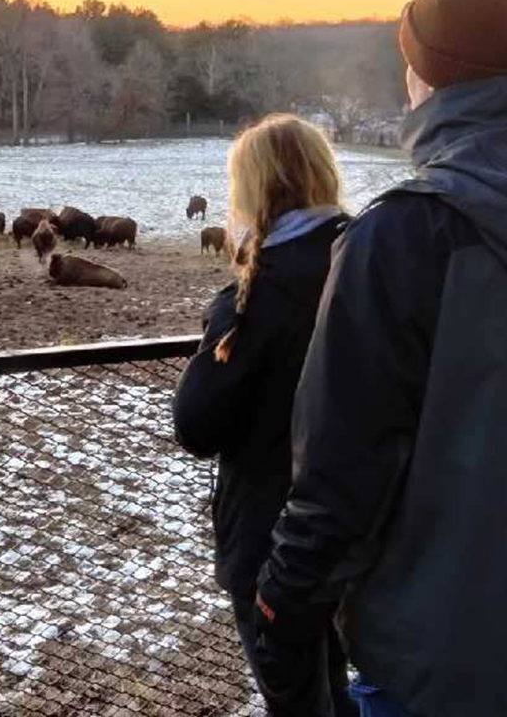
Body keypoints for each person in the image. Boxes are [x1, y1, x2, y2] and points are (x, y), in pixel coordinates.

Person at [255, 0, 507, 717]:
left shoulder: (407, 234)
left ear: (424, 80)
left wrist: (281, 616)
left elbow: (340, 471)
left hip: (447, 664)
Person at [172, 114, 355, 716]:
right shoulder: (370, 260)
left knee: (299, 697)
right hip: (367, 527)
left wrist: (221, 326)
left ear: (252, 194)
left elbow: (195, 427)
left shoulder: (257, 300)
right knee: (342, 679)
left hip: (275, 545)